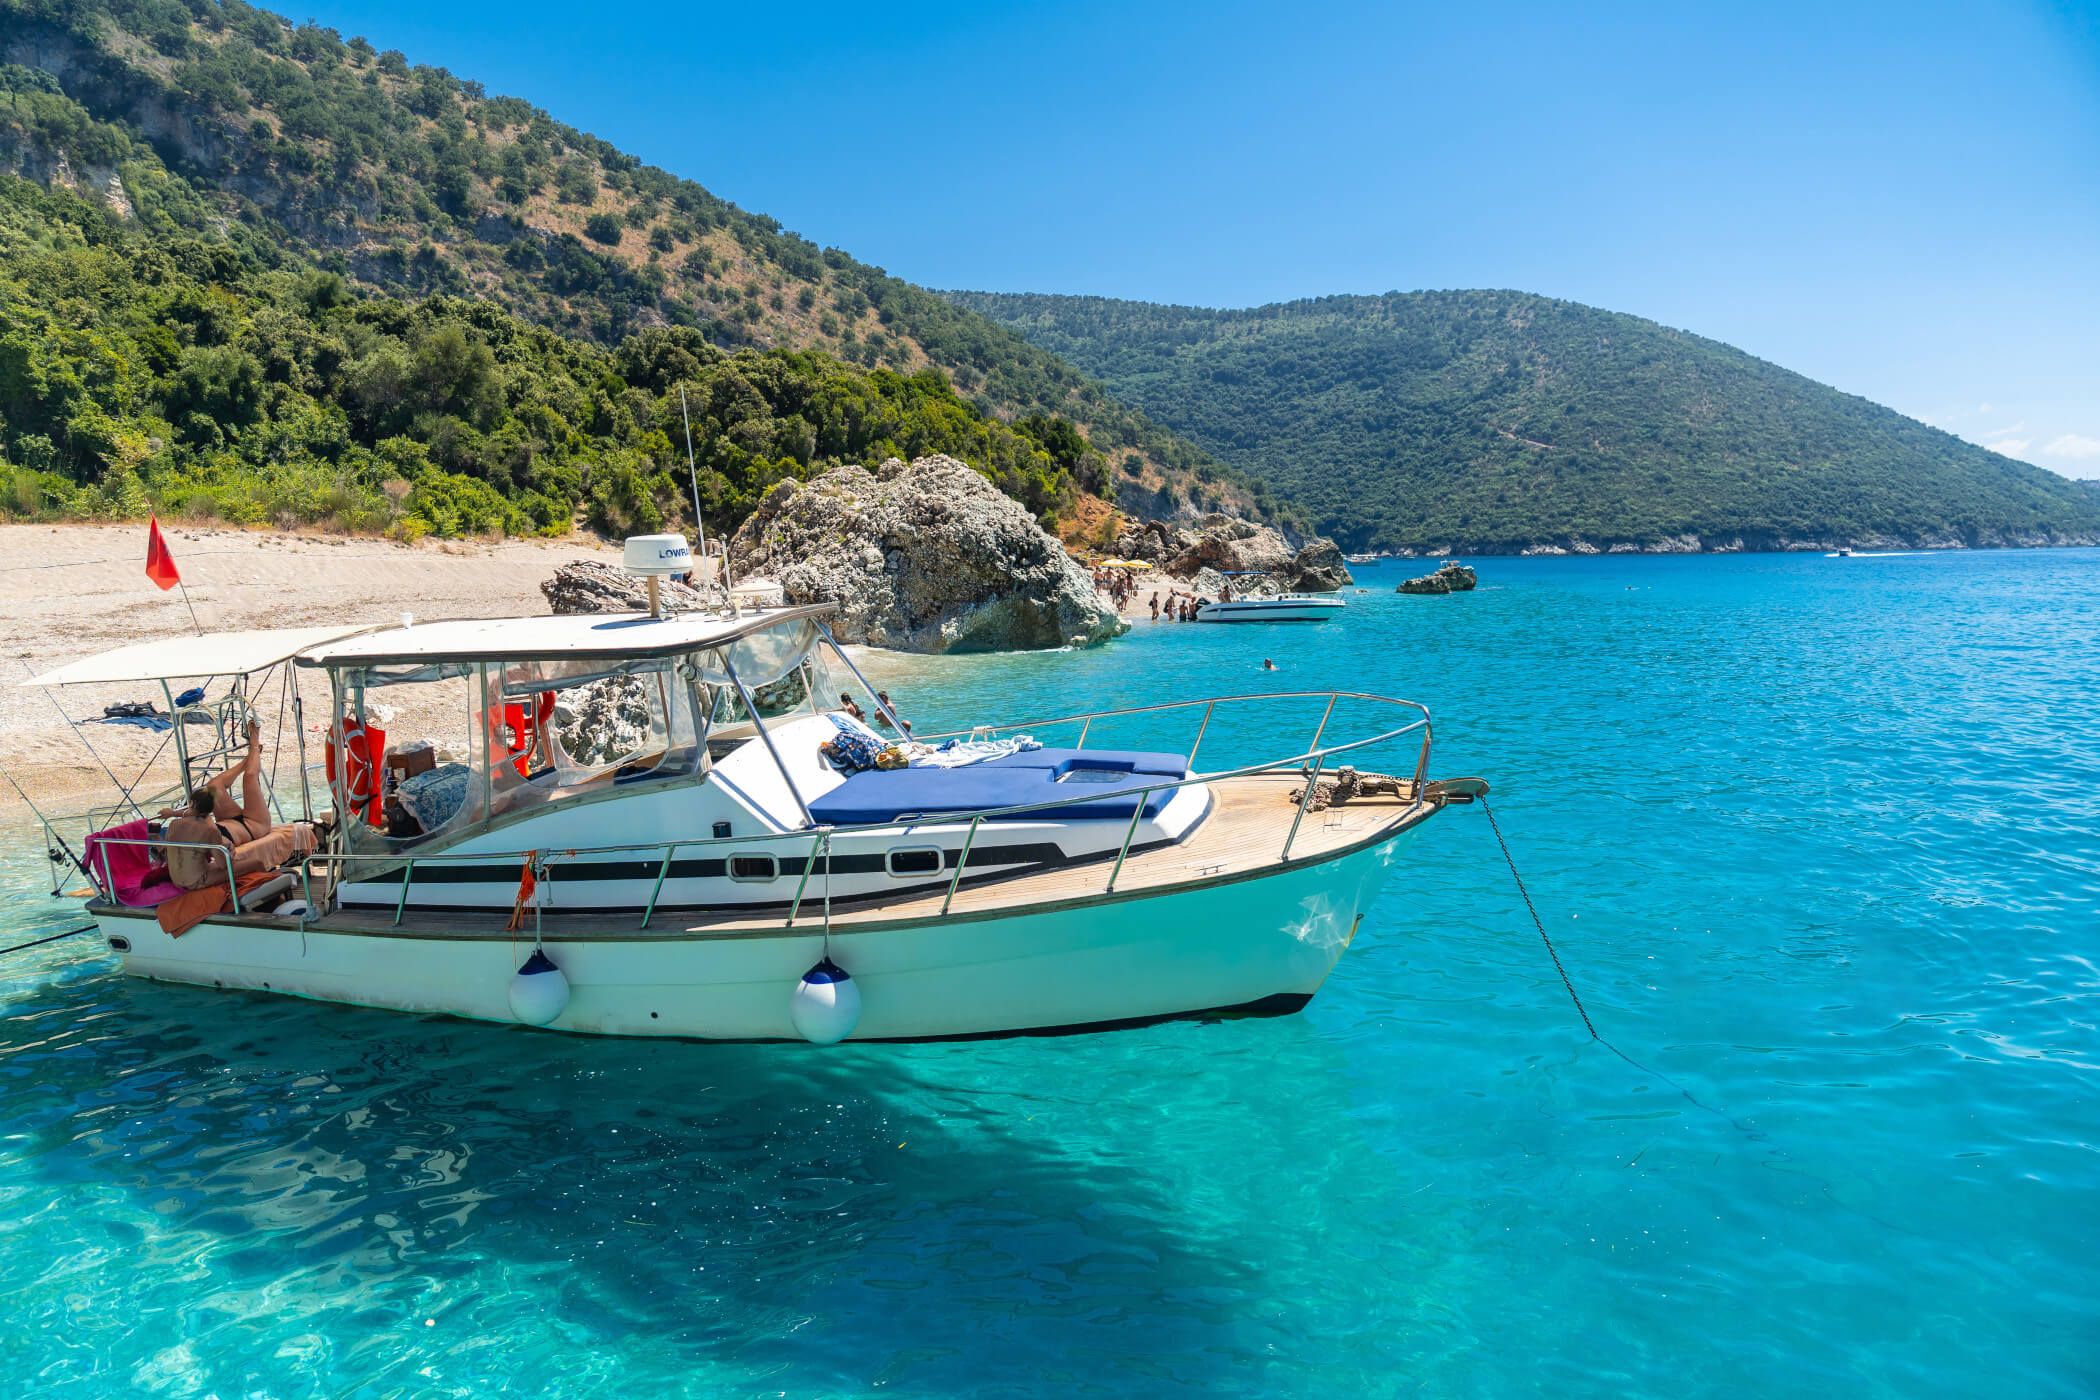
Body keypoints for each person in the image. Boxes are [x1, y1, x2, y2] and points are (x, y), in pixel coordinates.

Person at [161, 719, 319, 891]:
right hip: (254, 825)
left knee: (213, 785)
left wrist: (173, 813)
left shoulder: (181, 824)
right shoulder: (209, 829)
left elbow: (190, 816)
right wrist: (228, 848)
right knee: (250, 777)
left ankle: (251, 755)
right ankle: (254, 744)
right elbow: (223, 864)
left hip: (230, 822)